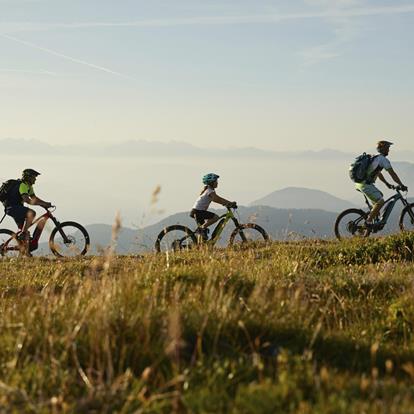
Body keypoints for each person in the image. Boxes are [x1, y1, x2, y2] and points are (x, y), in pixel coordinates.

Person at [356, 141, 407, 229]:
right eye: (387, 148)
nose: (388, 150)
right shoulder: (383, 160)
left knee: (379, 199)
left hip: (361, 183)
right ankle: (367, 223)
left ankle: (372, 223)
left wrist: (387, 183)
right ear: (383, 149)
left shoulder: (375, 158)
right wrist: (401, 184)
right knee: (380, 202)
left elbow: (378, 173)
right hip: (365, 185)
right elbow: (392, 174)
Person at [4, 169, 52, 256]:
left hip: (17, 208)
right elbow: (27, 200)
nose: (35, 179)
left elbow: (34, 199)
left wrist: (44, 204)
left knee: (25, 232)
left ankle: (26, 251)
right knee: (32, 213)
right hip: (12, 208)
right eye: (34, 177)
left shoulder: (29, 187)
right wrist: (42, 204)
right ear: (28, 177)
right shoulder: (22, 185)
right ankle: (23, 234)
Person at [190, 173, 237, 240]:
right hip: (198, 212)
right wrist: (229, 203)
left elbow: (218, 199)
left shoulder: (208, 190)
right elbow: (216, 199)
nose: (217, 183)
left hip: (196, 211)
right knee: (215, 217)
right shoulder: (209, 191)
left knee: (203, 234)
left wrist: (228, 203)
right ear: (211, 183)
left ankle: (199, 246)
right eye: (216, 181)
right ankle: (201, 229)